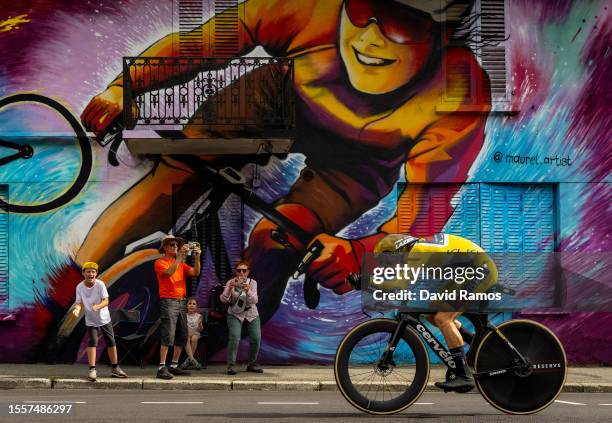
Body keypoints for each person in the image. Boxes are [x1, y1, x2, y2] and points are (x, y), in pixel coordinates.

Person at [76, 0, 490, 364]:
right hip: (275, 99)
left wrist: (357, 253)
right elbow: (204, 43)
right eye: (363, 11)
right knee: (175, 177)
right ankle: (70, 285)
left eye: (401, 25)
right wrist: (121, 90)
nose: (369, 39)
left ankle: (219, 335)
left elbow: (426, 208)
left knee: (278, 238)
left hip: (356, 164)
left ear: (444, 34)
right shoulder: (307, 8)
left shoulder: (459, 92)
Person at [372, 233, 498, 391]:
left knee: (443, 319)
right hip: (468, 272)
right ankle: (476, 345)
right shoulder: (419, 250)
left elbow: (400, 285)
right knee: (432, 310)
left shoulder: (417, 252)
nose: (385, 266)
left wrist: (365, 281)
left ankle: (464, 376)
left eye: (385, 260)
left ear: (398, 251)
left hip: (480, 271)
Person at [154, 235, 202, 379]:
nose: (175, 247)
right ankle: (161, 367)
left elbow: (195, 273)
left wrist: (197, 258)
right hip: (169, 301)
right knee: (168, 334)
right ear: (165, 248)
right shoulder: (159, 262)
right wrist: (180, 257)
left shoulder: (179, 263)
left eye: (176, 245)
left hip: (182, 301)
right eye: (172, 245)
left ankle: (174, 365)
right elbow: (169, 273)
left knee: (182, 334)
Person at [72, 262, 128, 381]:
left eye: (93, 272)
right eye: (88, 271)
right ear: (83, 273)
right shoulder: (79, 287)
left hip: (104, 319)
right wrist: (77, 309)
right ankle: (92, 370)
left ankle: (115, 368)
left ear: (96, 274)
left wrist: (98, 306)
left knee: (111, 342)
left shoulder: (100, 284)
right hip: (91, 320)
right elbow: (78, 302)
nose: (91, 274)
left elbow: (106, 301)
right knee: (92, 342)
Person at [220, 260, 263, 375]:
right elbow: (223, 299)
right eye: (239, 270)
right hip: (235, 313)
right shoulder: (231, 282)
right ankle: (231, 366)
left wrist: (248, 290)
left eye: (244, 270)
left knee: (256, 338)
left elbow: (255, 301)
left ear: (248, 272)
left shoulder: (252, 283)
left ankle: (252, 364)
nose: (241, 273)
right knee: (234, 338)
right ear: (236, 271)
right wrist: (229, 288)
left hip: (251, 313)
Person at [180, 297, 205, 370]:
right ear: (186, 306)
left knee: (194, 338)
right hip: (187, 333)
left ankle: (188, 360)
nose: (192, 305)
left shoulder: (199, 316)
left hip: (196, 333)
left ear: (196, 306)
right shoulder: (184, 316)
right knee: (186, 337)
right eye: (190, 303)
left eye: (194, 304)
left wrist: (200, 323)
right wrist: (188, 333)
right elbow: (183, 328)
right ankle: (192, 360)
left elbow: (200, 329)